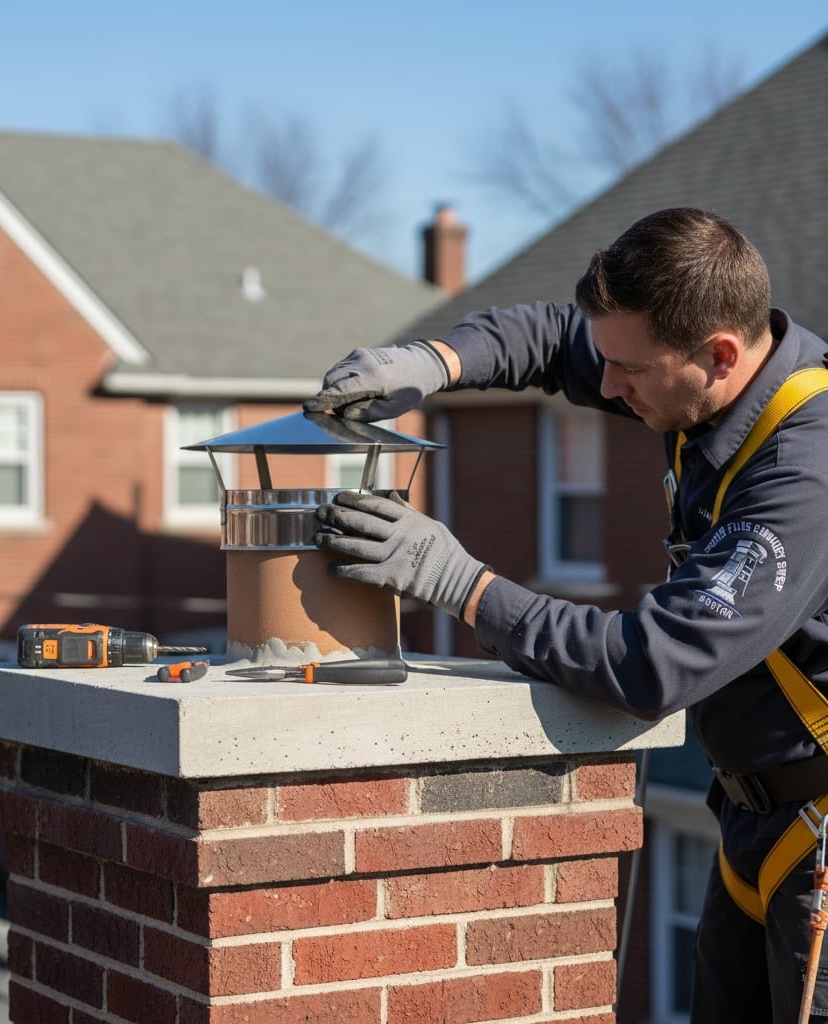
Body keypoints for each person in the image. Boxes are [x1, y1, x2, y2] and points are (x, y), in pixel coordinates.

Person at [305, 208, 828, 1023]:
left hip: (816, 843)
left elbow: (656, 663)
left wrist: (459, 583)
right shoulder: (699, 379)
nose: (609, 387)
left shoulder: (802, 476)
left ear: (720, 354)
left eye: (630, 370)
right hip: (750, 821)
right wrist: (435, 362)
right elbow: (557, 339)